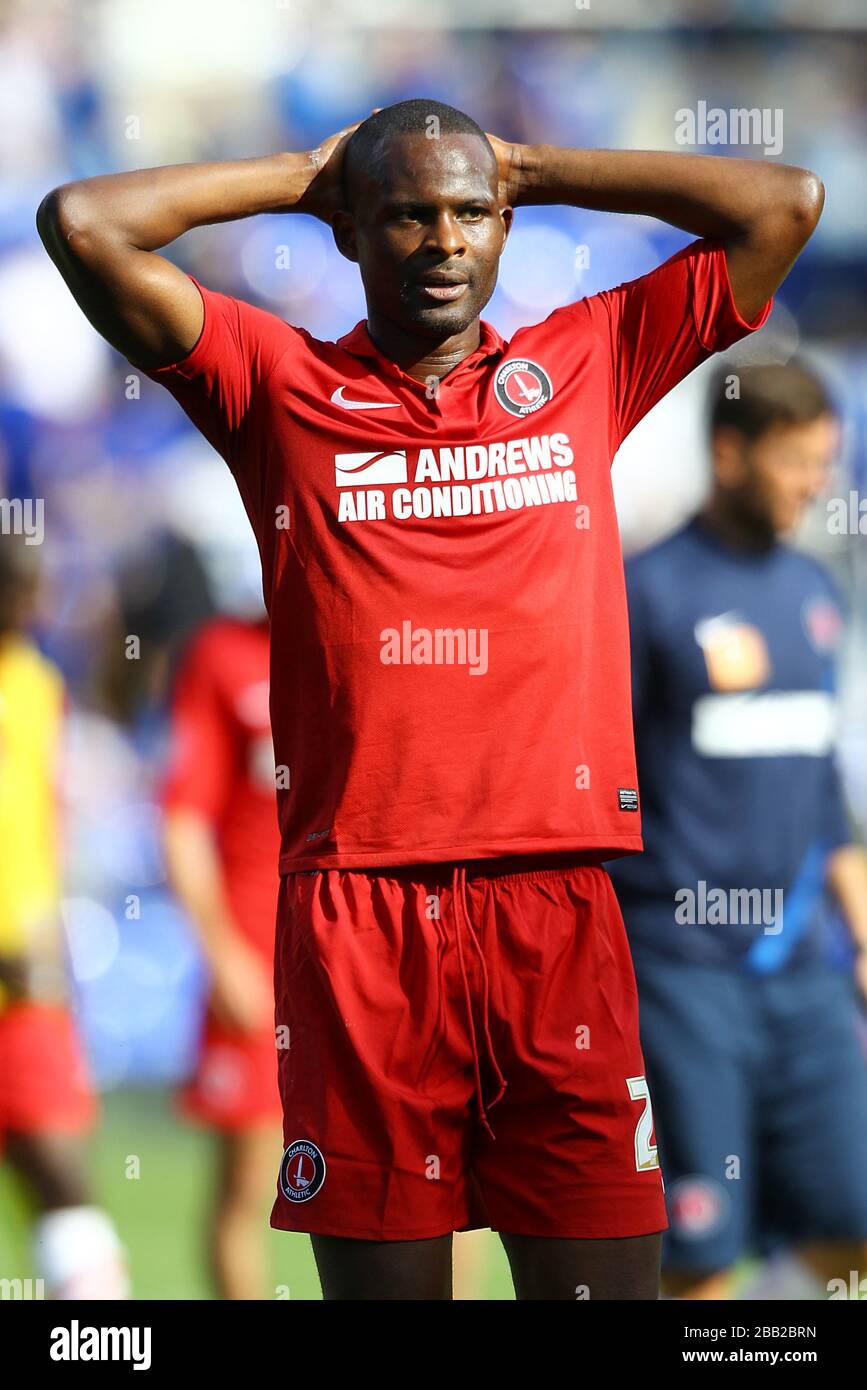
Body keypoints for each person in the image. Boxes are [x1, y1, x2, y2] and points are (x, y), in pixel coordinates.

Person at [37, 97, 822, 1300]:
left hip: (554, 906)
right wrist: (312, 168)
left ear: (506, 225)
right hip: (362, 920)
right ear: (350, 232)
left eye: (471, 211)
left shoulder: (586, 362)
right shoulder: (275, 386)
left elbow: (784, 205)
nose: (445, 239)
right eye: (406, 213)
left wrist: (532, 162)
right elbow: (84, 221)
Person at [609, 360, 867, 1300]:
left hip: (804, 972)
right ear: (729, 452)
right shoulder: (644, 593)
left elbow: (821, 788)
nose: (816, 485)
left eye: (824, 463)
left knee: (852, 1230)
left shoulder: (816, 594)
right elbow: (601, 790)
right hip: (682, 974)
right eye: (798, 462)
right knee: (700, 1259)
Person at [0, 537, 129, 1299]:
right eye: (17, 587)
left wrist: (53, 941)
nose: (32, 603)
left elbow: (43, 831)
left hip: (29, 981)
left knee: (62, 1181)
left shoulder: (38, 686)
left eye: (35, 588)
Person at [162, 612, 283, 1300]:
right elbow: (182, 816)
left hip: (372, 949)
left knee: (431, 1179)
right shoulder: (221, 653)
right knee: (246, 1182)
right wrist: (220, 951)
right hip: (255, 950)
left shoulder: (376, 630)